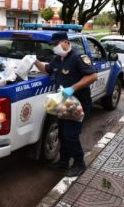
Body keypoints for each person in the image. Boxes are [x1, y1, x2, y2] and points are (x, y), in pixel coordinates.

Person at [34, 31, 98, 177]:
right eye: (53, 45)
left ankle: (79, 163)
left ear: (66, 42)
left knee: (71, 135)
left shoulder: (78, 58)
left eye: (57, 44)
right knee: (63, 134)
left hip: (79, 103)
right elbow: (47, 69)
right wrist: (35, 62)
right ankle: (63, 161)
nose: (55, 47)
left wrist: (72, 88)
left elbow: (93, 76)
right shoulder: (58, 59)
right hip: (64, 104)